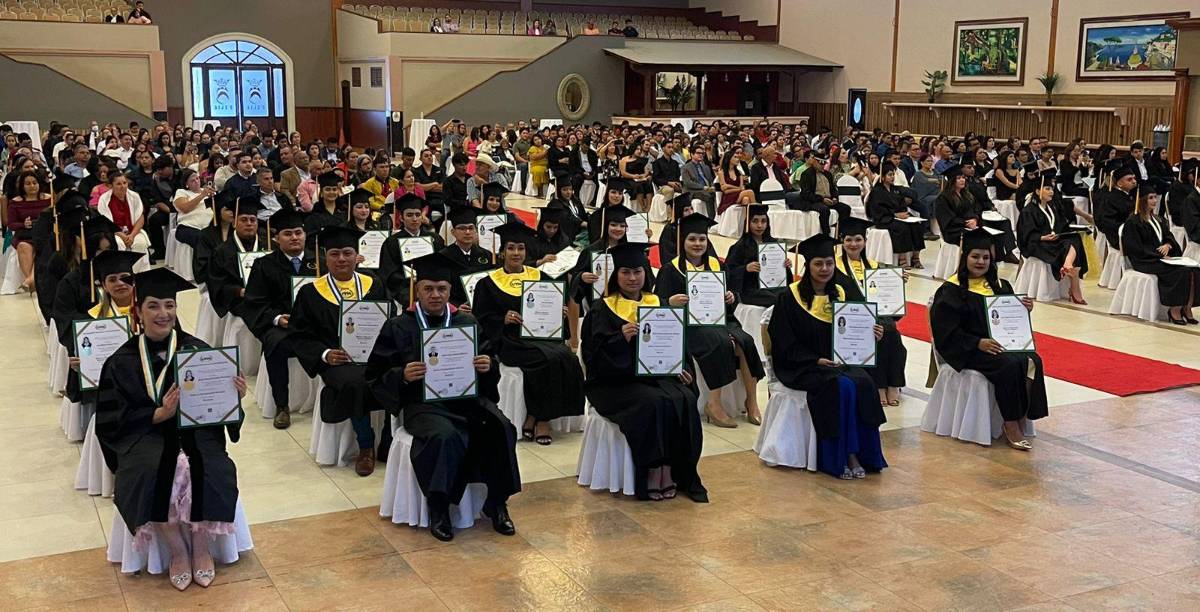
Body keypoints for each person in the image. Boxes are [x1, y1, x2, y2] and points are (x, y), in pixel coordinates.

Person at [96, 267, 247, 591]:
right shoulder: (120, 361)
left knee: (209, 468)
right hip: (146, 434)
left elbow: (222, 415)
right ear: (138, 311)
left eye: (169, 305)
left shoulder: (199, 352)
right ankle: (178, 551)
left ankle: (202, 546)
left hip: (196, 433)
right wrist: (158, 414)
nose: (163, 313)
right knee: (151, 471)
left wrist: (232, 398)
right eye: (153, 306)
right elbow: (111, 420)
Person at [366, 251, 520, 542]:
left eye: (442, 289)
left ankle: (497, 503)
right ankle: (439, 508)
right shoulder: (398, 326)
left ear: (450, 290)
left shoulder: (467, 322)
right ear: (417, 290)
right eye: (428, 289)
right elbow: (374, 374)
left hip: (468, 399)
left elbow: (488, 359)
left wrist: (488, 366)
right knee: (444, 437)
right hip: (423, 404)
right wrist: (401, 375)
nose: (435, 295)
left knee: (501, 428)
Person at [581, 242, 707, 502]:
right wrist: (620, 338)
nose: (632, 278)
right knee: (653, 402)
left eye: (637, 272)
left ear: (645, 274)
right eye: (625, 272)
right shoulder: (602, 309)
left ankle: (675, 468)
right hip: (615, 382)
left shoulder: (657, 304)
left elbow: (675, 344)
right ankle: (651, 469)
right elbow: (592, 357)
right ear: (616, 276)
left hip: (657, 376)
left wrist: (682, 369)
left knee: (684, 397)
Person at [767, 233, 887, 478]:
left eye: (829, 263)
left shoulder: (841, 293)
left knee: (864, 383)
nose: (824, 269)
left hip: (837, 361)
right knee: (840, 386)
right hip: (801, 365)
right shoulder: (789, 297)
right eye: (818, 264)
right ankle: (840, 456)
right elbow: (782, 341)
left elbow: (856, 327)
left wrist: (871, 332)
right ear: (808, 266)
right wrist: (814, 360)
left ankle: (865, 453)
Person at [929, 228, 1048, 449]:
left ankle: (1022, 415)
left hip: (998, 344)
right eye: (975, 256)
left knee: (1033, 360)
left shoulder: (1000, 286)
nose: (980, 262)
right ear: (965, 258)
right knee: (1009, 365)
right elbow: (945, 333)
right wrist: (977, 343)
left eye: (985, 257)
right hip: (967, 349)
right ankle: (1010, 424)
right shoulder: (950, 291)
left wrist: (1024, 309)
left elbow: (1009, 321)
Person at [471, 223, 585, 445]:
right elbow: (479, 318)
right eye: (511, 248)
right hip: (508, 339)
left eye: (521, 248)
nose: (516, 253)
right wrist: (501, 319)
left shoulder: (539, 276)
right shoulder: (488, 282)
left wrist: (558, 312)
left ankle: (534, 416)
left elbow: (551, 307)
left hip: (540, 335)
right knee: (545, 359)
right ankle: (543, 418)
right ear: (502, 251)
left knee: (568, 357)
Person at [289, 225, 390, 476]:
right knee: (356, 382)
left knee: (397, 376)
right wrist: (325, 354)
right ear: (325, 257)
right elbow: (299, 335)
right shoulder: (310, 292)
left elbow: (389, 321)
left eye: (347, 253)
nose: (341, 259)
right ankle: (366, 446)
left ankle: (388, 440)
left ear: (357, 255)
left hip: (374, 355)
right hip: (338, 361)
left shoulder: (373, 284)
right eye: (334, 254)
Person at [654, 214, 764, 427]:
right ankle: (713, 404)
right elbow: (657, 301)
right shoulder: (671, 269)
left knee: (746, 341)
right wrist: (670, 301)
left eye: (702, 239)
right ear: (683, 241)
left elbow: (728, 301)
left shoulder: (717, 267)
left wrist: (731, 298)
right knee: (719, 342)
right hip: (690, 324)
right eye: (692, 239)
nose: (698, 244)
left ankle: (751, 401)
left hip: (719, 320)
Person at [244, 209, 314, 429]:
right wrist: (277, 318)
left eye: (298, 232)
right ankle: (282, 405)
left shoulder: (319, 261)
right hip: (282, 325)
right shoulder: (264, 265)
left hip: (316, 323)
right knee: (276, 344)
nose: (294, 237)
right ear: (276, 238)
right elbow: (255, 302)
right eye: (287, 233)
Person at [834, 218, 908, 406]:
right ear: (842, 241)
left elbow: (887, 299)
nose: (853, 244)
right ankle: (881, 385)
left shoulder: (875, 266)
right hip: (851, 319)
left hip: (876, 316)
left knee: (890, 329)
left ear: (865, 241)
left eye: (858, 239)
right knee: (883, 330)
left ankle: (892, 384)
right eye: (848, 240)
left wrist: (898, 283)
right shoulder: (834, 267)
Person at [1123, 192, 1199, 324]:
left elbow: (1169, 237)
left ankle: (1187, 307)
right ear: (1141, 200)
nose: (1154, 201)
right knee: (1181, 272)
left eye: (1155, 198)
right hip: (1145, 260)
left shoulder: (1158, 219)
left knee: (1195, 270)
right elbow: (1136, 248)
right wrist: (1159, 255)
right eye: (1150, 198)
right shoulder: (1133, 222)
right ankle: (1175, 308)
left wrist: (1168, 245)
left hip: (1162, 258)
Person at [1016, 181, 1088, 304]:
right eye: (1047, 188)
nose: (1051, 192)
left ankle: (1067, 264)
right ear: (1038, 191)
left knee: (1075, 237)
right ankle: (1074, 287)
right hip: (1037, 243)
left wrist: (1060, 234)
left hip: (1052, 241)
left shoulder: (1053, 207)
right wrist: (1042, 237)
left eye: (1052, 189)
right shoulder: (1029, 210)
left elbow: (1062, 226)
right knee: (1068, 245)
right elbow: (1024, 234)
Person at [378, 194, 445, 306]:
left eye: (417, 215)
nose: (414, 219)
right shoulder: (392, 242)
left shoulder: (435, 239)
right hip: (404, 289)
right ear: (401, 218)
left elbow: (442, 266)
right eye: (409, 215)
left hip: (434, 286)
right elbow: (389, 272)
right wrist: (412, 284)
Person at [868, 163, 925, 269]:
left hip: (898, 216)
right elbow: (876, 210)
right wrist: (894, 214)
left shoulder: (896, 189)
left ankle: (915, 257)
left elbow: (903, 203)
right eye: (890, 175)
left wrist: (904, 213)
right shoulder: (877, 191)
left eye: (893, 175)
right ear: (883, 176)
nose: (892, 177)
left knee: (916, 225)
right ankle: (902, 259)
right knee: (901, 227)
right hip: (884, 218)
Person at [5, 171, 51, 291]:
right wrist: (23, 224)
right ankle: (31, 278)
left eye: (34, 183)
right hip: (25, 234)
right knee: (23, 246)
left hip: (45, 234)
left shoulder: (49, 199)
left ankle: (30, 280)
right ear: (22, 186)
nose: (32, 186)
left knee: (43, 246)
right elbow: (11, 224)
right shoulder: (15, 202)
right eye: (28, 184)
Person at [97, 173, 151, 271]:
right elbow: (105, 222)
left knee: (140, 243)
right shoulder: (104, 199)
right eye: (118, 184)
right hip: (114, 232)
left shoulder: (134, 196)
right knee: (119, 244)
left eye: (124, 183)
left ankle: (138, 275)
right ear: (111, 186)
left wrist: (132, 235)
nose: (123, 186)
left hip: (133, 231)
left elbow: (140, 218)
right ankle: (123, 273)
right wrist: (123, 236)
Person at [1095, 161, 1137, 252]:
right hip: (1119, 235)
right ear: (1119, 184)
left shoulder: (1127, 195)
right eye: (1129, 179)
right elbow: (1108, 222)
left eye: (1134, 178)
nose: (1134, 182)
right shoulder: (1111, 198)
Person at [172, 169, 216, 248]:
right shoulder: (182, 192)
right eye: (192, 181)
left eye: (197, 178)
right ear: (186, 184)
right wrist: (202, 195)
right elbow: (185, 208)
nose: (196, 181)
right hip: (188, 227)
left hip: (209, 226)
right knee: (202, 238)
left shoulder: (207, 191)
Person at [680, 146, 717, 215]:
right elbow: (688, 183)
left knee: (719, 193)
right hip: (692, 191)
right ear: (692, 154)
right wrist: (703, 187)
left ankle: (720, 218)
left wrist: (712, 186)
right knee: (708, 196)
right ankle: (711, 219)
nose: (701, 155)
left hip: (707, 188)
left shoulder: (705, 167)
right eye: (698, 153)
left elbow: (711, 180)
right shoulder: (685, 167)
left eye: (702, 153)